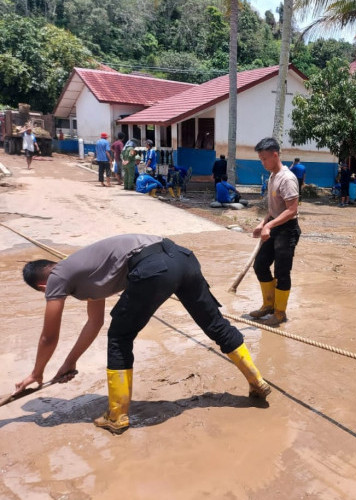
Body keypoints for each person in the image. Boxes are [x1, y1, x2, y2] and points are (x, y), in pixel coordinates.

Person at [15, 234, 271, 434]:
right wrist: (70, 362)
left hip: (153, 265)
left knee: (119, 337)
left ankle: (116, 417)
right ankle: (256, 381)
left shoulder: (57, 276)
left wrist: (36, 373)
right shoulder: (84, 272)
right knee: (214, 324)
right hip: (182, 257)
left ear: (42, 286)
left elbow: (49, 336)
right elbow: (95, 322)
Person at [249, 137, 301, 326]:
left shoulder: (287, 178)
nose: (262, 163)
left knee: (282, 271)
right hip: (274, 226)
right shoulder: (272, 176)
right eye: (260, 159)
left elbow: (291, 210)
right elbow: (274, 210)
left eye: (264, 159)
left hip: (287, 229)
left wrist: (269, 226)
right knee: (260, 265)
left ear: (275, 155)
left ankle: (280, 312)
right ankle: (268, 305)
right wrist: (262, 223)